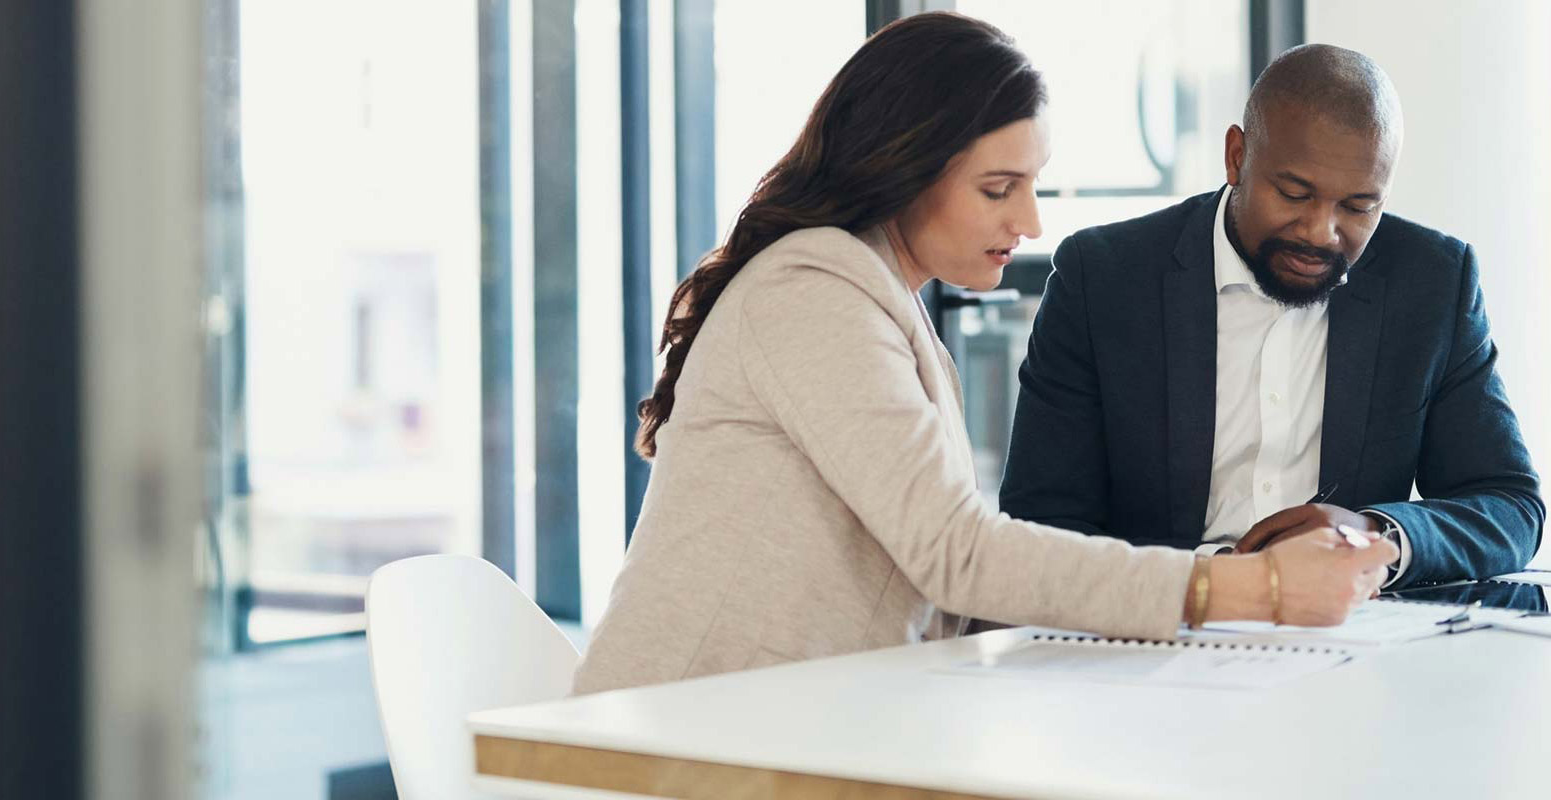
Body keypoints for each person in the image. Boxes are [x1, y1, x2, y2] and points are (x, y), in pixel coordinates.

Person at [572, 14, 1397, 696]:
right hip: (673, 743)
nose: (1031, 223)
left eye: (1033, 185)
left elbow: (950, 581)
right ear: (903, 169)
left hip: (788, 724)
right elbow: (958, 555)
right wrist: (1250, 590)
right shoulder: (810, 296)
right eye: (998, 189)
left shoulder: (882, 308)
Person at [999, 44, 1541, 590]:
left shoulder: (1432, 281)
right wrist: (1208, 589)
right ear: (1237, 155)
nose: (1319, 232)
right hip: (1156, 628)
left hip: (1356, 643)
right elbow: (1040, 522)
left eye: (1358, 207)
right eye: (1293, 193)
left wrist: (1376, 536)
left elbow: (1509, 507)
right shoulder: (1104, 278)